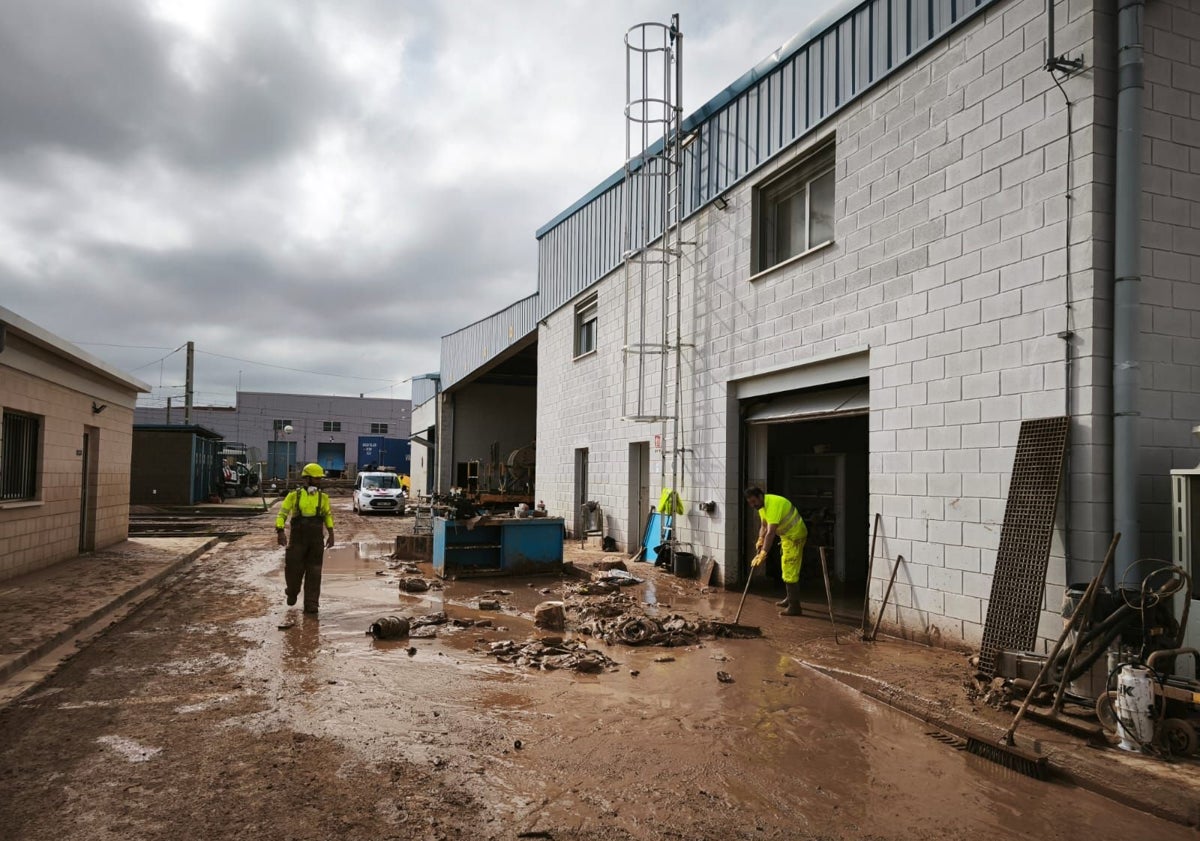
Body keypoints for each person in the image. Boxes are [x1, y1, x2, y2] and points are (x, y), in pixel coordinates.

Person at [276, 462, 335, 614]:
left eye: (320, 479)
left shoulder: (323, 498)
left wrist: (331, 533)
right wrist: (280, 531)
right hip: (297, 539)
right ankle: (292, 591)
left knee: (315, 571)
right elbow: (282, 514)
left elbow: (327, 515)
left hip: (316, 540)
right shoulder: (293, 496)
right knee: (293, 569)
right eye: (316, 479)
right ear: (307, 479)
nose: (319, 482)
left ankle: (311, 603)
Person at [745, 486, 808, 616]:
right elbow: (763, 525)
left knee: (790, 570)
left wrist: (763, 552)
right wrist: (760, 539)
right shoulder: (762, 507)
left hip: (795, 537)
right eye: (750, 503)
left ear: (760, 496)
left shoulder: (773, 504)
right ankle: (790, 598)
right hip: (786, 536)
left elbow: (771, 532)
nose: (752, 505)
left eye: (753, 501)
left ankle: (795, 607)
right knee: (786, 567)